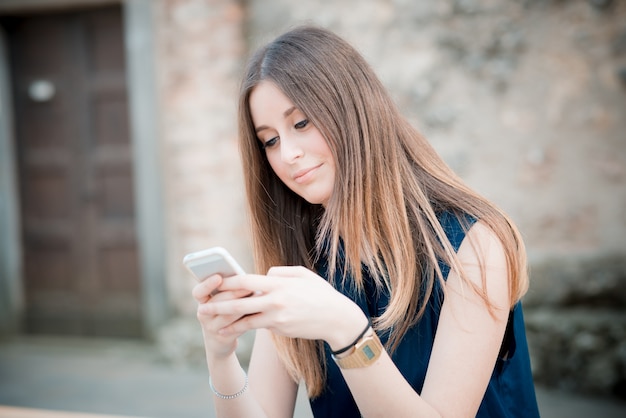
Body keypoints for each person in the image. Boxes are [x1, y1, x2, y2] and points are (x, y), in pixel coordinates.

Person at [192, 25, 540, 417]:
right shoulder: (301, 261)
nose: (287, 154)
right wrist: (221, 358)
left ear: (352, 110)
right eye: (270, 141)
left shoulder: (473, 245)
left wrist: (347, 332)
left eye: (301, 123)